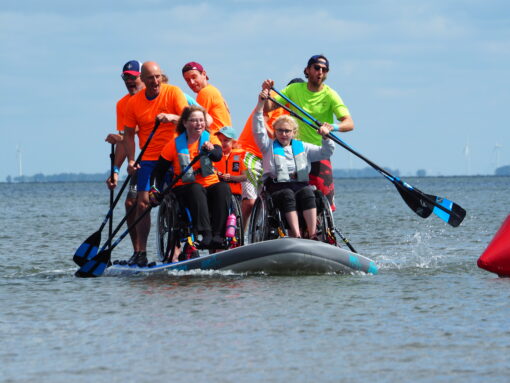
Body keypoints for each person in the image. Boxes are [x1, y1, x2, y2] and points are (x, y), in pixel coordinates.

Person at [262, 55, 354, 211]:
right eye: (317, 68)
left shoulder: (330, 95)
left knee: (324, 202)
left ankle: (323, 231)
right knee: (294, 199)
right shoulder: (293, 89)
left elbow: (349, 123)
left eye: (324, 70)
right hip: (294, 152)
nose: (320, 72)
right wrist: (266, 92)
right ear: (307, 70)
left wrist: (331, 127)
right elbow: (267, 107)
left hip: (318, 152)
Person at [122, 61, 188, 266]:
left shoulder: (173, 92)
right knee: (142, 203)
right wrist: (131, 161)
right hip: (149, 158)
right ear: (143, 79)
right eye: (150, 78)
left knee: (178, 197)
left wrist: (172, 117)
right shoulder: (134, 103)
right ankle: (140, 252)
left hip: (173, 154)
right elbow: (128, 135)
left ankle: (180, 249)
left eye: (158, 76)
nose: (155, 81)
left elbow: (191, 119)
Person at [253, 89, 335, 239]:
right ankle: (296, 235)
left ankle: (312, 234)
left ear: (293, 132)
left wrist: (326, 137)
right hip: (277, 188)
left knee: (308, 192)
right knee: (288, 194)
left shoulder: (303, 147)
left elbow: (326, 152)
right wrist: (260, 104)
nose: (283, 134)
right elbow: (258, 129)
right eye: (280, 131)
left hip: (300, 186)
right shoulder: (268, 146)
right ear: (275, 131)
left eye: (287, 131)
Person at [149, 105, 232, 253]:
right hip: (185, 187)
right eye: (194, 120)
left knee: (223, 188)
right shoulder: (173, 145)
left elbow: (218, 155)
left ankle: (218, 235)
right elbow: (158, 171)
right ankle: (205, 234)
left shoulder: (211, 138)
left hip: (210, 183)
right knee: (196, 188)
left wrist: (211, 149)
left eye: (201, 120)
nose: (199, 124)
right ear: (185, 123)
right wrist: (154, 189)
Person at [105, 60, 144, 259]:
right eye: (125, 77)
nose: (129, 80)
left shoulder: (156, 95)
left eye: (133, 76)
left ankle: (182, 248)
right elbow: (125, 140)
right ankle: (138, 252)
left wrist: (121, 137)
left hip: (166, 155)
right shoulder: (122, 104)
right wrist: (115, 171)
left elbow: (130, 134)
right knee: (130, 203)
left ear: (142, 77)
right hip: (141, 161)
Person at [182, 61, 232, 134]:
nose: (191, 82)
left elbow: (198, 122)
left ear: (204, 74)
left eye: (194, 77)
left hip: (216, 139)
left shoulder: (205, 92)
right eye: (187, 80)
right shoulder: (213, 90)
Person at [214, 126, 247, 201]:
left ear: (233, 142)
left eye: (226, 140)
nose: (222, 143)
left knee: (233, 213)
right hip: (218, 192)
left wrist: (232, 177)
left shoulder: (239, 157)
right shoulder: (214, 157)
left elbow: (245, 177)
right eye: (219, 140)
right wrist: (218, 174)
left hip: (235, 195)